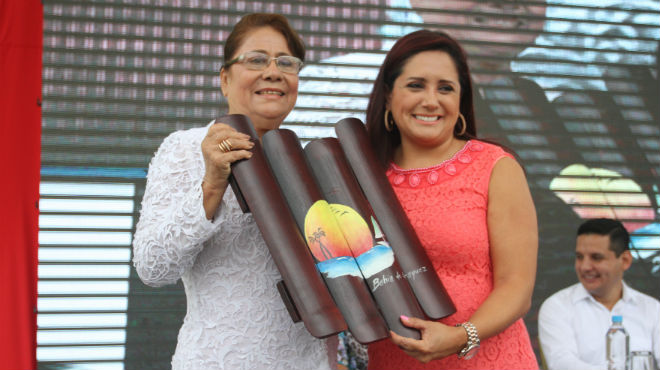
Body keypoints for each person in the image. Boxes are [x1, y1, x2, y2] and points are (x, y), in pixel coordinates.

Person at [132, 13, 338, 370]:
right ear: (224, 79)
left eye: (286, 63)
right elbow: (153, 269)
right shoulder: (186, 148)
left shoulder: (308, 163)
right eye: (256, 59)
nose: (273, 72)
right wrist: (212, 184)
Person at [364, 29, 539, 369]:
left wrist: (461, 336)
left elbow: (516, 287)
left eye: (445, 88)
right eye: (416, 85)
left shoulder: (495, 167)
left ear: (461, 100)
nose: (431, 100)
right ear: (387, 95)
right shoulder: (359, 178)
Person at [538, 218, 660, 370]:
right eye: (579, 257)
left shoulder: (653, 310)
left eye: (596, 257)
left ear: (625, 260)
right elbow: (562, 364)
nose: (585, 266)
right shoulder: (558, 307)